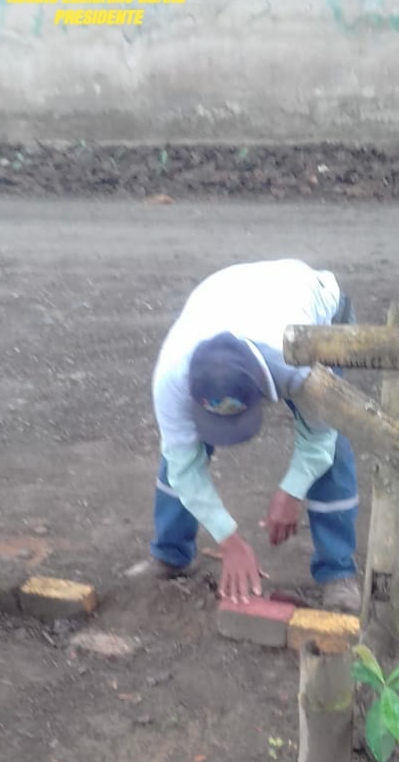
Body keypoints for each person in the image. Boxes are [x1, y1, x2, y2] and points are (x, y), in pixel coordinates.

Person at [149, 258, 360, 612]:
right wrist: (229, 541)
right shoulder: (172, 379)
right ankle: (169, 555)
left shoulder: (296, 365)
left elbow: (319, 438)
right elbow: (183, 466)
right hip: (223, 294)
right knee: (180, 452)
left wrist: (291, 491)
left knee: (334, 448)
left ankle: (338, 572)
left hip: (312, 303)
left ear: (264, 388)